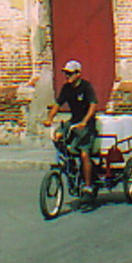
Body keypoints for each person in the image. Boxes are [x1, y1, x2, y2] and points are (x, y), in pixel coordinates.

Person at [44, 59, 99, 199]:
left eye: (70, 73)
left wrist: (84, 122)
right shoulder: (66, 88)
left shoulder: (86, 87)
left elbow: (93, 106)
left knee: (84, 154)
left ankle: (87, 186)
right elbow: (57, 104)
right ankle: (69, 164)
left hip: (86, 124)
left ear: (78, 74)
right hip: (73, 121)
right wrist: (49, 118)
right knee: (58, 135)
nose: (67, 76)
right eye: (66, 73)